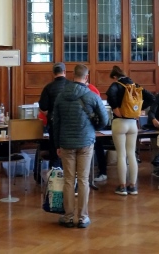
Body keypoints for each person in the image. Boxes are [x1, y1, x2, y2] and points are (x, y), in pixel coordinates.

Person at [52, 64, 109, 228]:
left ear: (72, 75)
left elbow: (56, 123)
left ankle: (68, 216)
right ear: (86, 77)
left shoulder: (61, 96)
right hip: (85, 142)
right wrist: (94, 128)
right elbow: (105, 120)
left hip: (66, 143)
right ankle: (83, 217)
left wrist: (57, 144)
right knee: (83, 180)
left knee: (69, 180)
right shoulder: (92, 96)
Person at [106, 65, 155, 196]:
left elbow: (110, 94)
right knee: (132, 154)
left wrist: (116, 108)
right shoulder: (135, 85)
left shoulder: (116, 85)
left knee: (121, 155)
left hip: (119, 122)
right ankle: (133, 186)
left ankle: (122, 187)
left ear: (115, 76)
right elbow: (151, 98)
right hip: (133, 123)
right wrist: (139, 109)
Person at [39, 62, 70, 167]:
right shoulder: (72, 86)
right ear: (64, 71)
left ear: (53, 73)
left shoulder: (48, 87)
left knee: (54, 153)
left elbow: (43, 107)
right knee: (70, 155)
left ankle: (55, 175)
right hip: (70, 124)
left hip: (54, 124)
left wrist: (50, 113)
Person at [86, 81, 108, 182]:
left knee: (99, 148)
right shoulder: (91, 89)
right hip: (92, 125)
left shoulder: (92, 89)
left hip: (93, 125)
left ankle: (102, 172)